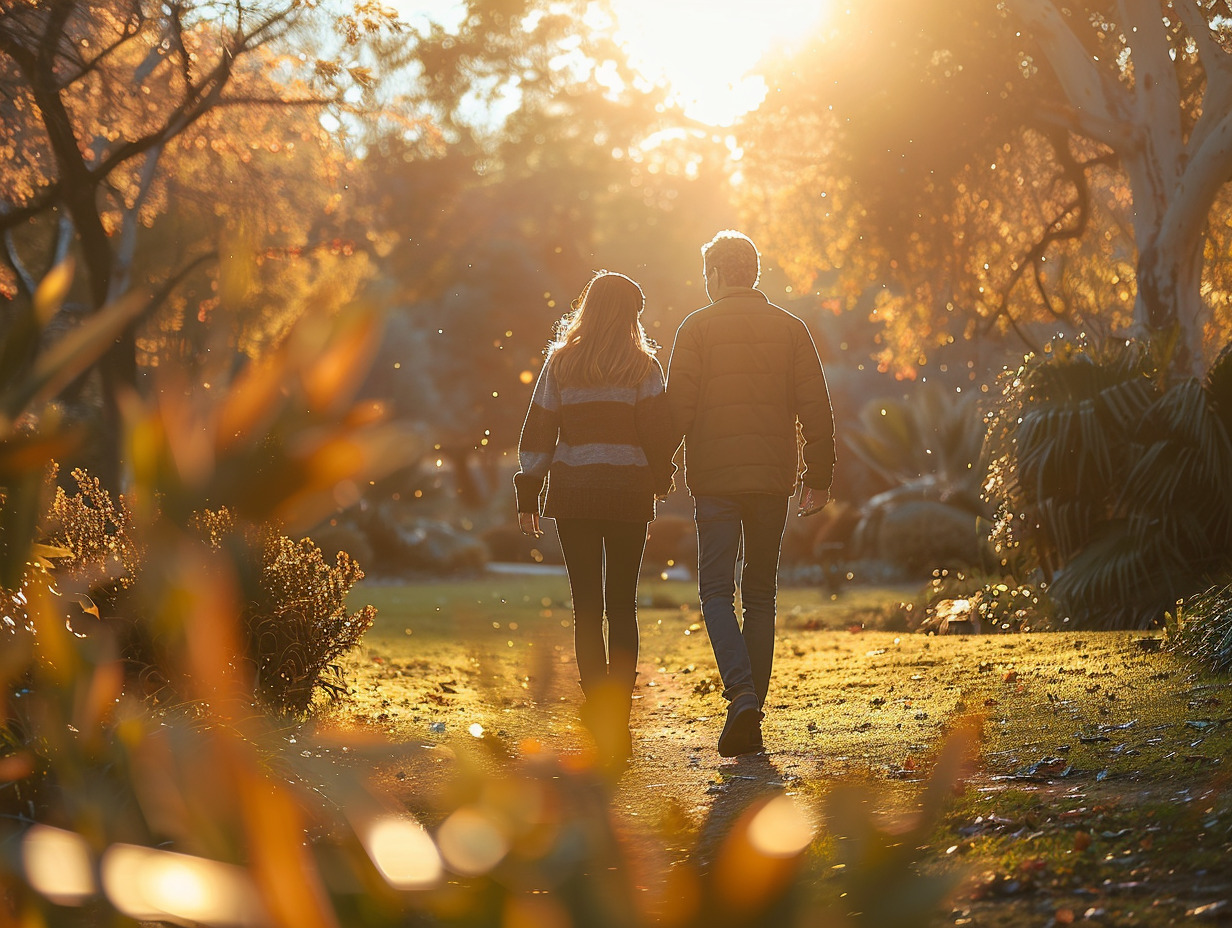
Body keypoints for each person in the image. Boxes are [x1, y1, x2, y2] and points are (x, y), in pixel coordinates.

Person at [666, 231, 835, 757]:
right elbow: (816, 405)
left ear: (716, 274)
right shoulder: (791, 329)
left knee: (717, 592)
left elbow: (679, 410)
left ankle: (741, 696)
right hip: (771, 480)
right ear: (753, 273)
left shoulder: (695, 328)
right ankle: (751, 714)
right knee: (761, 593)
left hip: (715, 481)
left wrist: (655, 470)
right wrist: (819, 475)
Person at [514, 270, 676, 764]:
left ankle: (597, 709)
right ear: (630, 315)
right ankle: (618, 720)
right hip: (628, 496)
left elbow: (538, 432)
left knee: (587, 605)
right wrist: (661, 478)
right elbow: (659, 434)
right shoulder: (645, 368)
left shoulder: (561, 364)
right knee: (622, 605)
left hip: (575, 496)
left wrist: (528, 493)